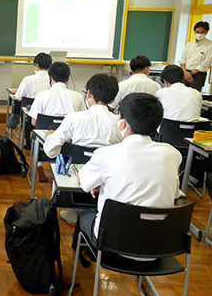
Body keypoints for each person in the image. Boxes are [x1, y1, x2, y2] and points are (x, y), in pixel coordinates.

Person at [75, 93, 181, 253]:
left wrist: (103, 183)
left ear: (123, 124)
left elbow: (81, 180)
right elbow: (175, 196)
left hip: (112, 245)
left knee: (84, 216)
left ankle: (85, 256)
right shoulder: (172, 154)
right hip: (158, 248)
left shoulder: (106, 153)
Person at [43, 74, 122, 226]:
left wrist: (51, 136)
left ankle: (72, 212)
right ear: (113, 99)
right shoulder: (119, 123)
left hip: (75, 178)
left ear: (89, 93)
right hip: (107, 181)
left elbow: (51, 151)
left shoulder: (74, 118)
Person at [28, 62, 86, 127]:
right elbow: (83, 120)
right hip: (70, 133)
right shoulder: (78, 96)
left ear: (50, 78)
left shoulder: (41, 96)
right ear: (68, 79)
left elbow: (34, 122)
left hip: (46, 133)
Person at [179, 21, 212, 91]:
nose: (199, 34)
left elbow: (206, 64)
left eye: (202, 32)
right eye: (197, 32)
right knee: (181, 92)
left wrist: (191, 74)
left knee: (194, 94)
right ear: (194, 31)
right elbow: (182, 60)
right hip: (185, 73)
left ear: (206, 32)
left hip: (198, 74)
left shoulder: (210, 45)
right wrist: (185, 73)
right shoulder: (189, 45)